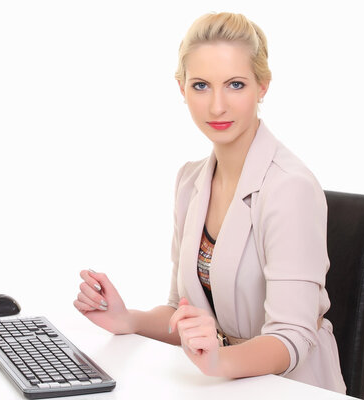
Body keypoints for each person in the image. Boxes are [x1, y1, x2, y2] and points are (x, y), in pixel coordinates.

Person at [73, 12, 346, 393]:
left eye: (235, 84)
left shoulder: (290, 188)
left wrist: (220, 360)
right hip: (221, 382)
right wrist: (128, 320)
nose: (217, 106)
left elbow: (292, 338)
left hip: (288, 386)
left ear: (263, 85)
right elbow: (181, 309)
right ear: (181, 87)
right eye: (201, 85)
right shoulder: (190, 180)